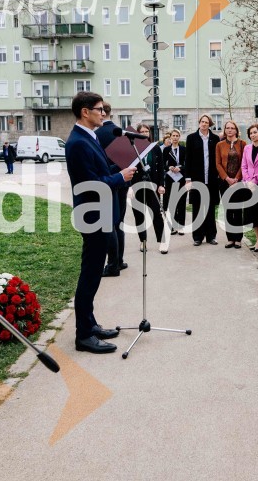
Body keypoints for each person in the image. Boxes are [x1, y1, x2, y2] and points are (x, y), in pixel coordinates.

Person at [64, 91, 135, 353]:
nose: (103, 113)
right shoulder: (78, 142)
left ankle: (90, 323)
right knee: (90, 275)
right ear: (85, 112)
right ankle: (83, 336)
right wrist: (120, 178)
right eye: (99, 109)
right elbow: (89, 184)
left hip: (101, 214)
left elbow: (101, 171)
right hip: (92, 215)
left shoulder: (89, 137)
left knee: (93, 274)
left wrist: (124, 167)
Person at [96, 103, 128, 276]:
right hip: (122, 181)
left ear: (102, 113)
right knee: (119, 223)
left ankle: (113, 264)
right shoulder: (119, 132)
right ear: (111, 113)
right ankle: (120, 260)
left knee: (109, 224)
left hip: (106, 181)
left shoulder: (96, 134)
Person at [131, 124, 167, 254]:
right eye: (142, 131)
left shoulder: (155, 148)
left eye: (147, 131)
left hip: (153, 185)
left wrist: (162, 184)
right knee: (139, 214)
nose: (145, 133)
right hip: (137, 186)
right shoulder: (133, 148)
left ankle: (162, 241)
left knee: (156, 213)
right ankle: (143, 241)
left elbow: (161, 167)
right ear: (137, 133)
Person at [185, 115, 221, 245]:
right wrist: (188, 178)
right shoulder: (191, 138)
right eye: (202, 122)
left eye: (206, 122)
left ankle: (211, 235)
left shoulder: (215, 138)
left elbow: (217, 159)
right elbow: (188, 159)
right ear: (199, 123)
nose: (204, 124)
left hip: (211, 178)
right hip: (196, 178)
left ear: (210, 124)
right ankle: (198, 237)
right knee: (197, 207)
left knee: (210, 207)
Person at [216, 120, 248, 248]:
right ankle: (230, 238)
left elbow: (244, 163)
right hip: (224, 182)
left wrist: (236, 178)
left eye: (232, 128)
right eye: (227, 128)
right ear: (225, 130)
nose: (229, 130)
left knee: (237, 209)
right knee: (228, 210)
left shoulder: (243, 144)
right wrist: (226, 178)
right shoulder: (220, 145)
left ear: (236, 130)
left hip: (238, 182)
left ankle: (238, 238)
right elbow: (217, 163)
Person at [241, 123, 258, 252]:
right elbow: (244, 166)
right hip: (248, 186)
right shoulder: (247, 148)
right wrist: (247, 180)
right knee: (251, 214)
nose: (253, 135)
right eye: (251, 133)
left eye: (255, 132)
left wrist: (255, 180)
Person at [162, 129, 186, 235]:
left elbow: (188, 163)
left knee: (181, 202)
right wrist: (169, 167)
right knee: (171, 202)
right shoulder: (166, 150)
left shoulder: (184, 149)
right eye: (173, 136)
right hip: (170, 178)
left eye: (177, 136)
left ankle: (181, 226)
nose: (175, 137)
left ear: (179, 137)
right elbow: (162, 164)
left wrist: (180, 168)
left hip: (181, 178)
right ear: (170, 137)